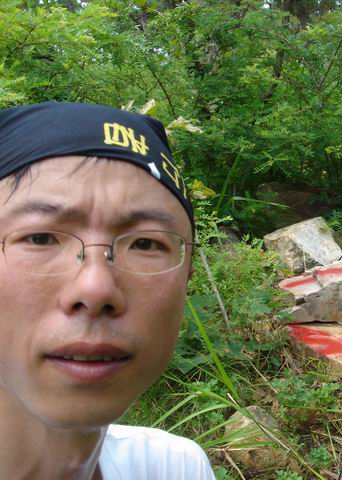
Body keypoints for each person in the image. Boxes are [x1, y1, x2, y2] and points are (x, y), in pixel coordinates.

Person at [0, 102, 216, 480]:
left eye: (146, 244)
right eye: (39, 237)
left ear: (187, 276)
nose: (96, 288)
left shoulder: (173, 468)